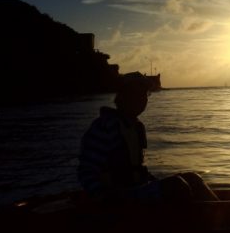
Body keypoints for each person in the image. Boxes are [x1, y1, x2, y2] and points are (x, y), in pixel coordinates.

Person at [77, 71, 218, 202]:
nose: (141, 99)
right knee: (176, 186)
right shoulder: (104, 127)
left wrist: (155, 182)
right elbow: (86, 171)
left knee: (193, 178)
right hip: (119, 196)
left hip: (137, 188)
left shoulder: (136, 127)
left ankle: (220, 213)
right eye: (135, 93)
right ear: (122, 96)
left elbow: (137, 169)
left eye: (144, 94)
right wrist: (104, 198)